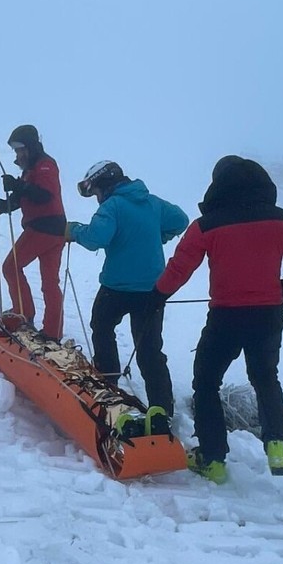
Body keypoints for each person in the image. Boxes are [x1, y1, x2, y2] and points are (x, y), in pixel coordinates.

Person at [154, 155, 283, 483]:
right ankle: (276, 445)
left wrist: (156, 296)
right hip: (268, 317)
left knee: (205, 383)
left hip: (225, 319)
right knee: (265, 379)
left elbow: (178, 270)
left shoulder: (207, 224)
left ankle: (213, 459)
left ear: (218, 185)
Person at [66, 161, 188, 427]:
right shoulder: (152, 203)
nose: (97, 198)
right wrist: (159, 235)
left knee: (102, 327)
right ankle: (162, 409)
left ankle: (107, 386)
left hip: (116, 287)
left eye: (96, 191)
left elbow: (96, 238)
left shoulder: (112, 206)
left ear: (104, 185)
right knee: (150, 350)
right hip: (153, 290)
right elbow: (181, 220)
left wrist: (73, 230)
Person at [0, 125, 66, 341]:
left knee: (11, 266)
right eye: (16, 151)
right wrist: (7, 205)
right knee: (50, 283)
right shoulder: (32, 169)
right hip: (55, 229)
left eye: (20, 149)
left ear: (32, 146)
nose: (18, 154)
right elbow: (30, 195)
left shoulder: (45, 165)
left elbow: (44, 195)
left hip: (43, 228)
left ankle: (23, 314)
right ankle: (52, 333)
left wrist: (18, 186)